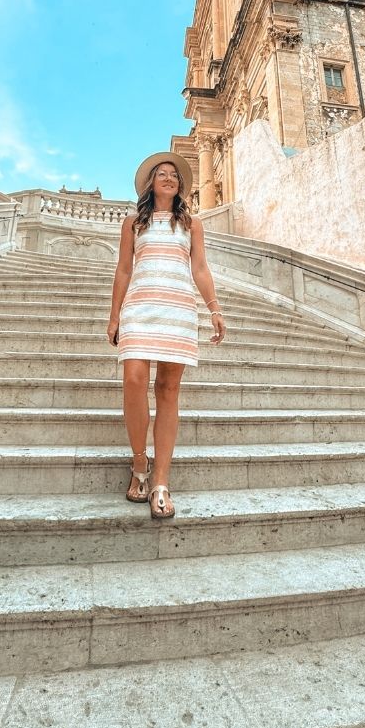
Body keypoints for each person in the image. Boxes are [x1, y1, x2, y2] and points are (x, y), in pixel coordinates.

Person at [107, 152, 226, 519]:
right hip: (140, 309)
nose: (170, 178)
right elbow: (124, 270)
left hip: (177, 310)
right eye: (162, 174)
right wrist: (114, 316)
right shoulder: (133, 224)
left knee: (169, 392)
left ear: (180, 186)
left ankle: (160, 481)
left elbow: (201, 267)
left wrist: (214, 307)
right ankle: (139, 463)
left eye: (174, 175)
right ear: (151, 183)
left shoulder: (192, 224)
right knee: (133, 379)